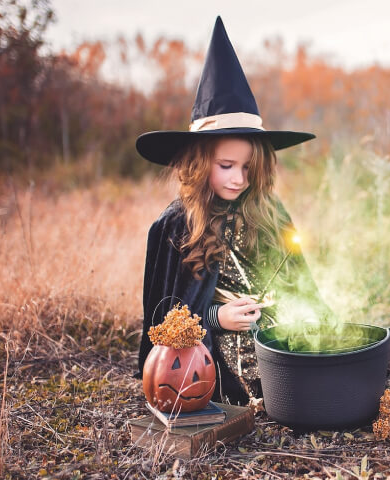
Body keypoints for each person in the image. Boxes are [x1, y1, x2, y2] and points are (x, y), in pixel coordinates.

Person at [135, 17, 331, 406]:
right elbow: (164, 321)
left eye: (247, 168)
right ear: (198, 161)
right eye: (226, 166)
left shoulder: (269, 210)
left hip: (280, 340)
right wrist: (216, 318)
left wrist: (300, 313)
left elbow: (299, 283)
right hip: (212, 357)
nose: (239, 179)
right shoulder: (177, 225)